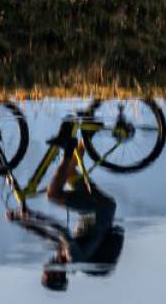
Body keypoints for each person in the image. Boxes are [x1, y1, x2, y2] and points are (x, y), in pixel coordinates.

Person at [8, 116, 124, 292]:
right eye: (46, 272)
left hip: (102, 209)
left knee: (67, 172)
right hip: (98, 210)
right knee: (54, 194)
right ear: (56, 274)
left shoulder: (66, 255)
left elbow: (47, 235)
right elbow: (61, 230)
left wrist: (22, 222)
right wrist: (32, 216)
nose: (45, 265)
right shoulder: (73, 258)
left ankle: (86, 137)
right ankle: (69, 147)